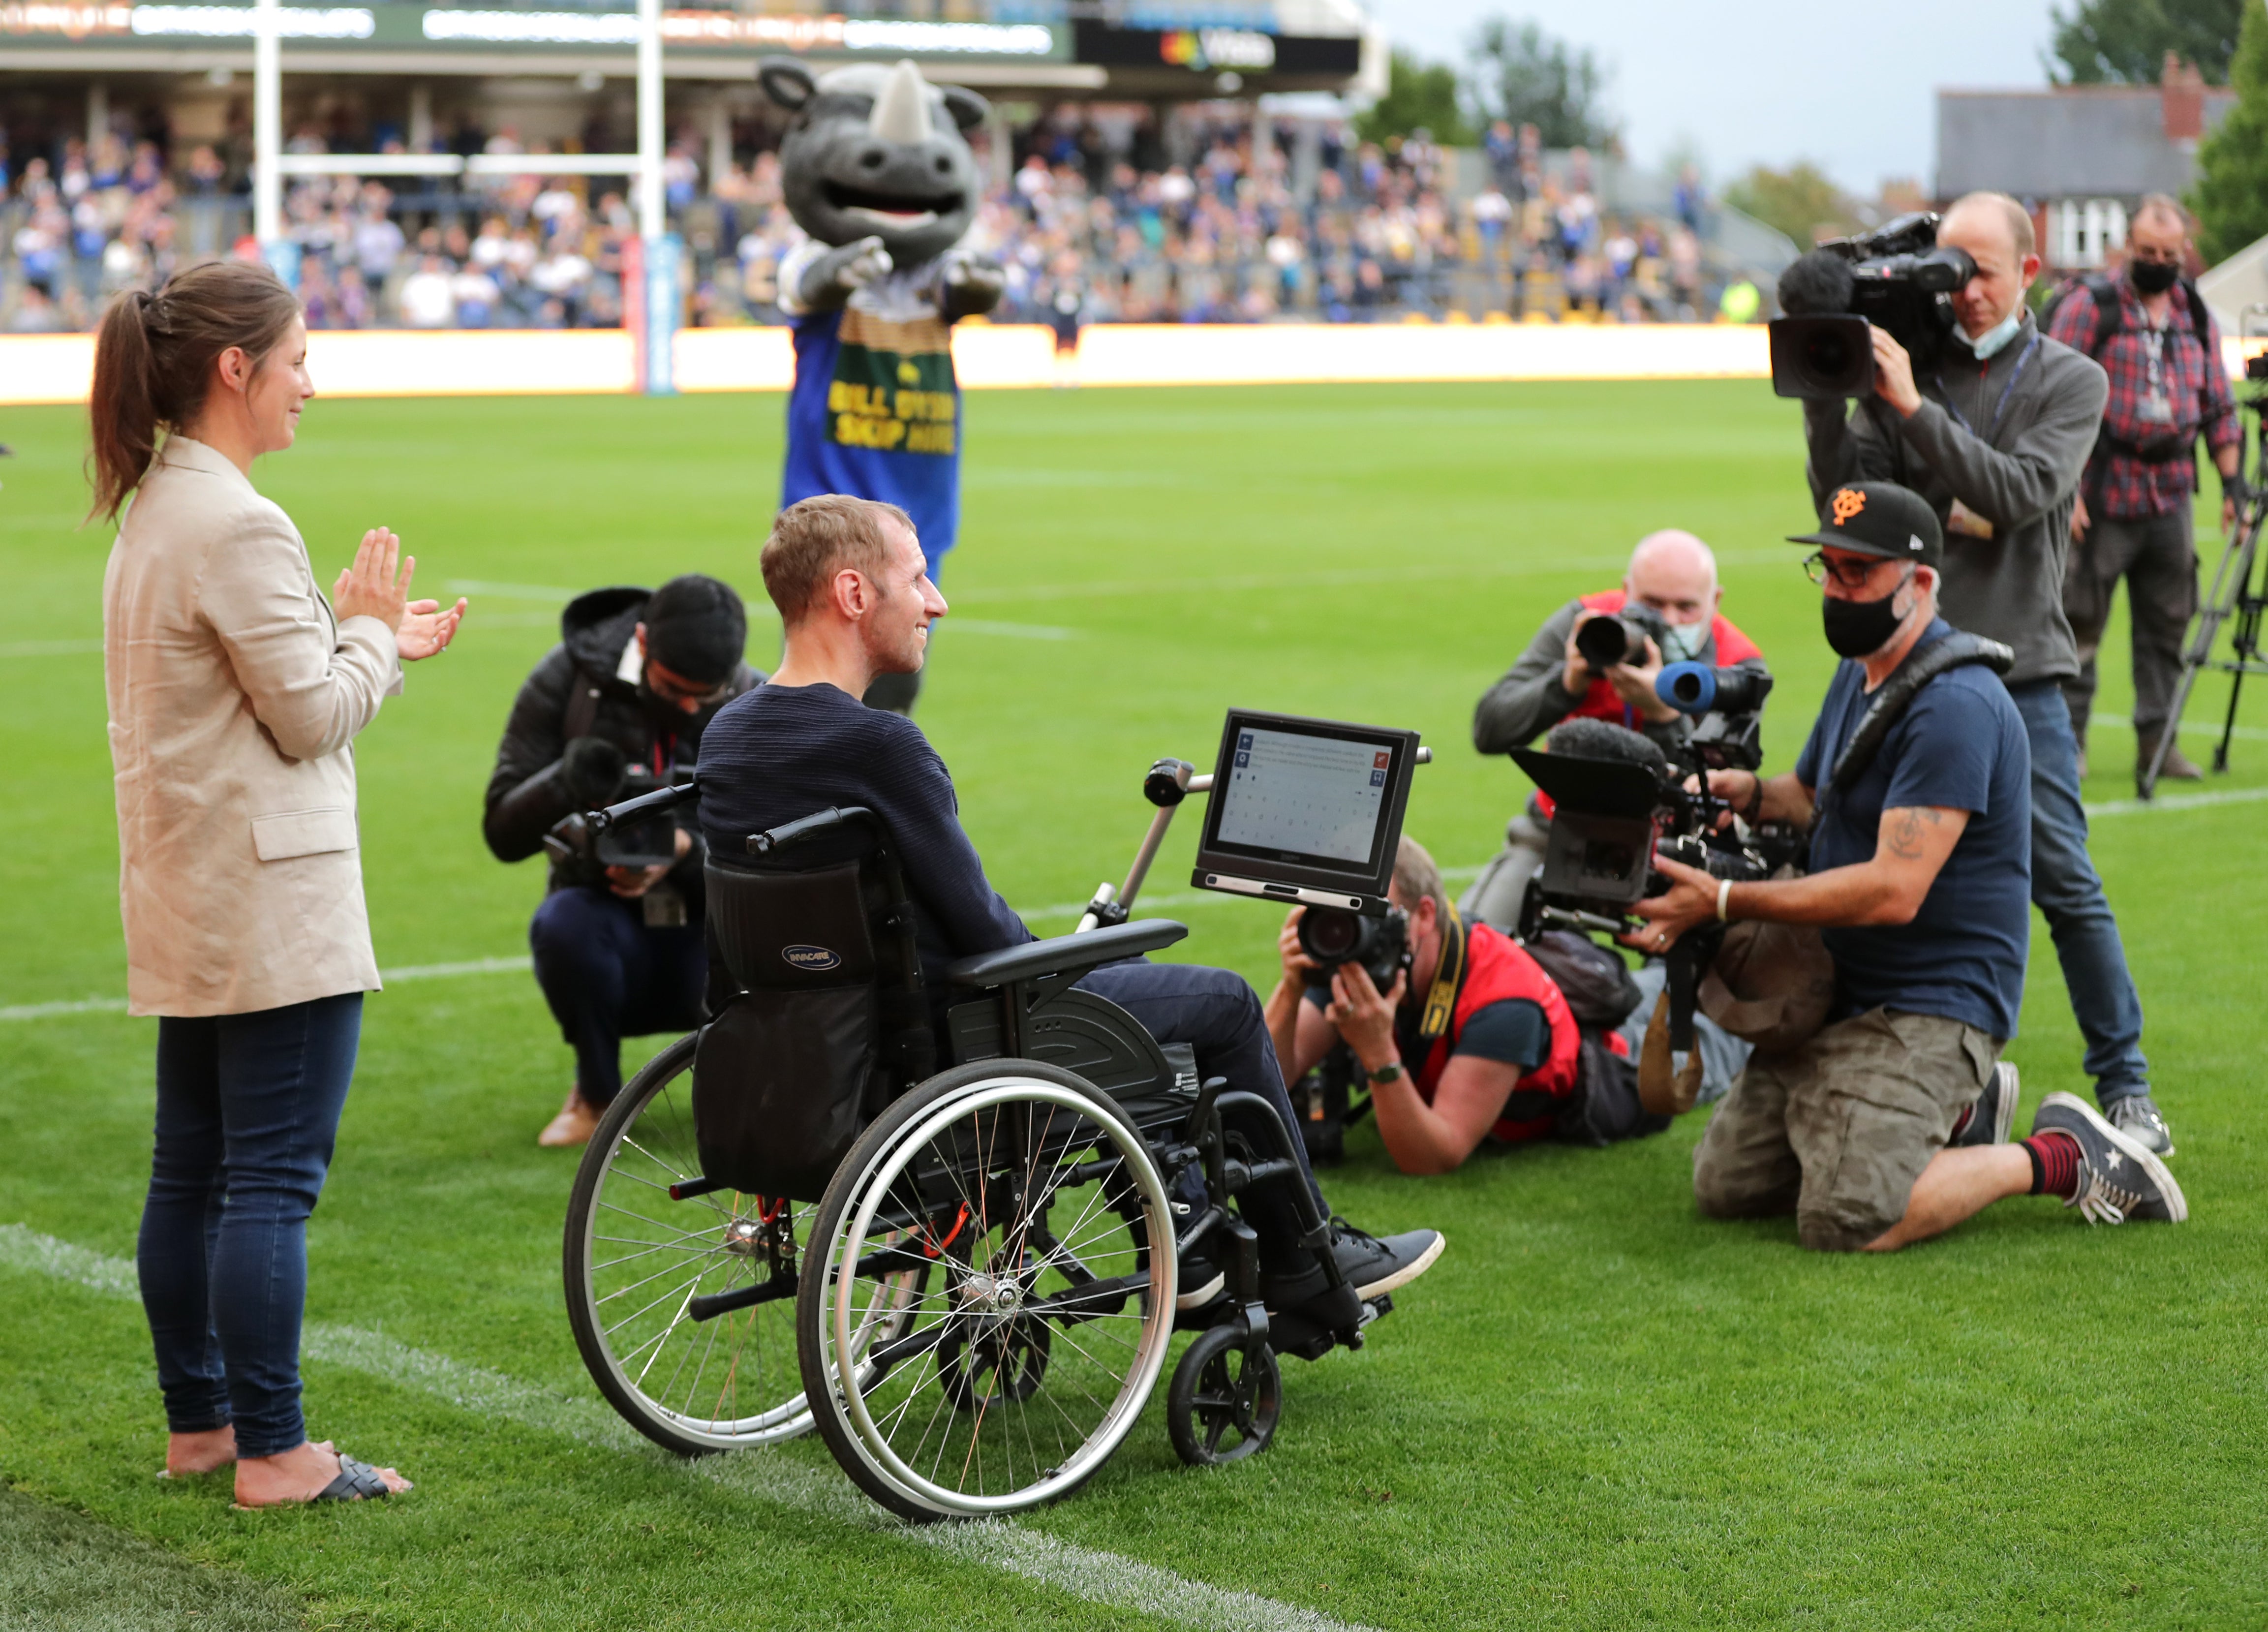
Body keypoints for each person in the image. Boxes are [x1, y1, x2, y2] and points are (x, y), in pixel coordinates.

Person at [695, 493, 1443, 1315]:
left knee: (1118, 983)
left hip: (819, 1039)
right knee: (1221, 1002)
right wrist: (1071, 956)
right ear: (853, 593)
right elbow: (986, 930)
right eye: (918, 578)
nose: (937, 601)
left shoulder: (729, 733)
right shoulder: (880, 745)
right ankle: (1307, 1256)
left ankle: (1188, 1227)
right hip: (954, 1035)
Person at [92, 262, 464, 1507]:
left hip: (188, 878)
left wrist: (372, 636)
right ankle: (276, 1448)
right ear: (235, 369)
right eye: (299, 357)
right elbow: (310, 719)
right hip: (267, 895)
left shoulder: (158, 502)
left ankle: (202, 1426)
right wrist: (364, 632)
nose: (314, 380)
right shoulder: (240, 518)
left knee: (187, 1168)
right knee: (268, 1180)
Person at [1632, 481, 2185, 1251]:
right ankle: (1958, 1113)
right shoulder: (1861, 668)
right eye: (1826, 569)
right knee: (1726, 1189)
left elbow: (1895, 888)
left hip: (1935, 998)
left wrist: (1724, 898)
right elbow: (1813, 796)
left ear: (1919, 583)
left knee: (1852, 1218)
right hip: (1841, 989)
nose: (1834, 589)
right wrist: (1752, 793)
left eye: (1856, 574)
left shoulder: (1954, 704)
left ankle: (2065, 1153)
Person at [1800, 190, 2175, 1157]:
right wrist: (1824, 392)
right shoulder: (1908, 375)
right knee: (1852, 858)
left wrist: (1913, 409)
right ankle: (1933, 1084)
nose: (1961, 292)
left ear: (2031, 274)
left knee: (2063, 877)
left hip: (2016, 672)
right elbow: (1849, 507)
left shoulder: (2070, 380)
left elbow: (2015, 493)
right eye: (1948, 270)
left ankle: (2124, 1085)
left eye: (1982, 273)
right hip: (1898, 665)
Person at [483, 576, 763, 1148]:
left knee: (772, 919)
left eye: (704, 695)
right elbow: (502, 832)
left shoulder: (749, 694)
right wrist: (567, 778)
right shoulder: (570, 678)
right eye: (674, 688)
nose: (689, 707)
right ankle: (594, 1094)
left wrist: (686, 851)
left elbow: (775, 840)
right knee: (564, 924)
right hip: (604, 918)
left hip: (707, 927)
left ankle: (744, 1088)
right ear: (641, 640)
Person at [1465, 528, 1769, 935]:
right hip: (1559, 829)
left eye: (1686, 607)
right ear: (1627, 591)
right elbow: (1489, 730)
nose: (1667, 620)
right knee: (1478, 942)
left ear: (1715, 602)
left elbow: (1714, 791)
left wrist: (1661, 713)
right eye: (1651, 604)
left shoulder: (1738, 668)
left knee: (1736, 958)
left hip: (1680, 845)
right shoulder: (1588, 626)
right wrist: (1566, 684)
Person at [2045, 194, 2242, 787]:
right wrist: (2064, 490)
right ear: (2126, 249)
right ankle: (2069, 744)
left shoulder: (2195, 314)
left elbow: (2218, 404)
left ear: (2185, 252)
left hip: (2171, 493)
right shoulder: (2090, 306)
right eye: (2146, 251)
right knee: (2078, 624)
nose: (2157, 261)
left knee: (2166, 627)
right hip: (2102, 489)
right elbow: (2049, 398)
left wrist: (2232, 483)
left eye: (2168, 252)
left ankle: (2158, 743)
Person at [1264, 837, 1583, 1176]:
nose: (1355, 928)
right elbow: (1264, 1080)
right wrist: (1292, 988)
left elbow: (1434, 1156)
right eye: (1343, 909)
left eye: (1374, 912)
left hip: (1611, 1075)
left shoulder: (1504, 998)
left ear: (1425, 915)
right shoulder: (1354, 953)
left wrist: (1377, 1052)